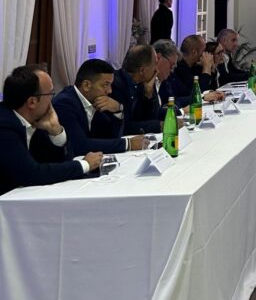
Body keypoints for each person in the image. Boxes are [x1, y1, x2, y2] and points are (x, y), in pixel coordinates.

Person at [0, 66, 102, 195]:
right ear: (32, 102)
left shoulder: (37, 120)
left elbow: (62, 162)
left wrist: (56, 131)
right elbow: (31, 174)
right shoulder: (4, 126)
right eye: (51, 94)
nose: (53, 100)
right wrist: (84, 164)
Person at [53, 59, 145, 155]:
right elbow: (80, 145)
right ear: (86, 85)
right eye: (106, 85)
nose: (110, 91)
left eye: (110, 85)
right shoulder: (64, 104)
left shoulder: (95, 101)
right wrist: (127, 144)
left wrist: (117, 110)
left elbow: (111, 137)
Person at [111, 44, 163, 134]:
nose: (156, 70)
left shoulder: (142, 83)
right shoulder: (116, 85)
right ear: (142, 70)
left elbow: (149, 118)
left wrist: (149, 95)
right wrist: (157, 126)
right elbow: (125, 126)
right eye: (155, 64)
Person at [171, 35, 225, 99]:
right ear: (194, 52)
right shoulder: (179, 69)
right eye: (203, 51)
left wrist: (212, 68)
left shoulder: (195, 66)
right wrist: (206, 68)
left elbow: (211, 89)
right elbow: (200, 92)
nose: (205, 53)